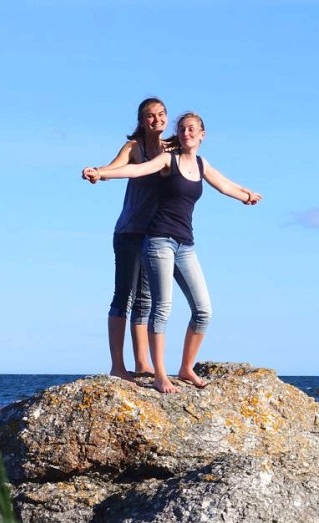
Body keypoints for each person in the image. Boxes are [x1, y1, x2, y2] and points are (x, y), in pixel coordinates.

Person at [83, 112, 262, 393]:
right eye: (182, 129)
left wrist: (246, 195)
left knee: (203, 310)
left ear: (203, 134)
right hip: (158, 242)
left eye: (192, 129)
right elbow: (135, 170)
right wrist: (101, 172)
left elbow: (225, 184)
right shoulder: (168, 159)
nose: (186, 133)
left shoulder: (202, 164)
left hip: (185, 244)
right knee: (161, 308)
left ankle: (186, 368)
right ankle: (160, 376)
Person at [83, 97, 172, 382]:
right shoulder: (135, 148)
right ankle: (117, 366)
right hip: (130, 231)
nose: (156, 119)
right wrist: (99, 173)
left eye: (160, 114)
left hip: (157, 235)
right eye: (149, 115)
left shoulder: (172, 149)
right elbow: (117, 167)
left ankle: (143, 363)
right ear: (141, 120)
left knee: (146, 299)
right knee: (124, 296)